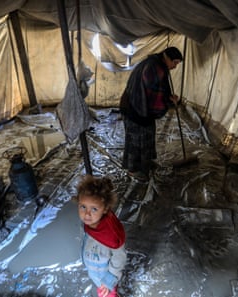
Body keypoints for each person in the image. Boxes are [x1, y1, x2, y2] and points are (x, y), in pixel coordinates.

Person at [119, 46, 183, 181]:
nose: (175, 66)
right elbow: (154, 96)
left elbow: (158, 90)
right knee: (135, 139)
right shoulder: (155, 68)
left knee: (147, 135)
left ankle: (145, 162)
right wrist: (168, 102)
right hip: (134, 108)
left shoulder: (156, 65)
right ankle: (133, 169)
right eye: (175, 63)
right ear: (168, 58)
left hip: (139, 105)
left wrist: (169, 97)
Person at [74, 175, 127, 297]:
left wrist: (108, 281)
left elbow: (119, 257)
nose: (87, 213)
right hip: (97, 273)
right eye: (83, 207)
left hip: (106, 279)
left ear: (105, 209)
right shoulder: (90, 224)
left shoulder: (111, 235)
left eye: (94, 209)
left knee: (108, 295)